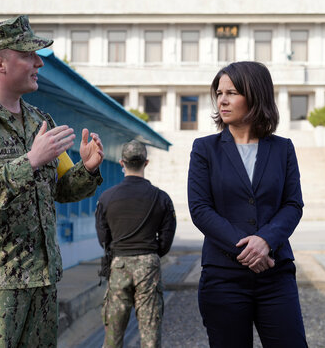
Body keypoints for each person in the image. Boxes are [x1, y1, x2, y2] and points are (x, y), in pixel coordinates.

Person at [0, 15, 105, 346]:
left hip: (39, 284)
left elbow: (60, 189)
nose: (39, 63)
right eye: (28, 55)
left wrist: (86, 168)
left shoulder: (39, 122)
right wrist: (30, 160)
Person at [188, 61, 308, 348]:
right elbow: (200, 209)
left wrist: (266, 241)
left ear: (255, 96)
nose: (223, 100)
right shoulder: (205, 149)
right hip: (223, 277)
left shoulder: (283, 148)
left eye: (232, 92)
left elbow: (293, 204)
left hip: (275, 274)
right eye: (219, 93)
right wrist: (248, 248)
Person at [95, 139, 176, 348]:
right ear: (146, 163)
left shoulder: (106, 197)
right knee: (150, 336)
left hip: (119, 265)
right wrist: (150, 251)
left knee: (112, 336)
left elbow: (103, 239)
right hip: (149, 266)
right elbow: (166, 241)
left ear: (122, 163)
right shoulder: (162, 198)